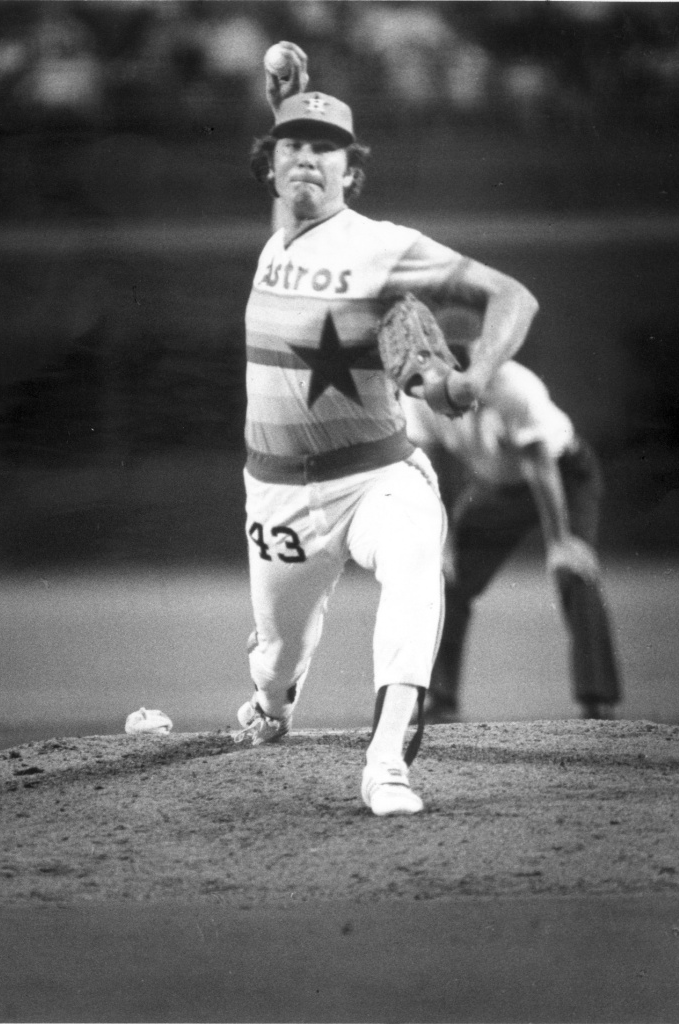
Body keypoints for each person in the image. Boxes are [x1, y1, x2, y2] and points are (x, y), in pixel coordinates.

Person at [232, 47, 539, 816]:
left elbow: (512, 297)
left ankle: (388, 757)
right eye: (292, 148)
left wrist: (473, 373)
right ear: (271, 168)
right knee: (274, 663)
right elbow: (295, 187)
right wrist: (290, 104)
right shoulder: (279, 239)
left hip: (376, 472)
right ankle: (273, 707)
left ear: (352, 173)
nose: (307, 160)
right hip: (276, 496)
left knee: (415, 561)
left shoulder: (383, 246)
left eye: (326, 149)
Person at [401, 360, 622, 724]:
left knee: (573, 569)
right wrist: (444, 541)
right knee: (446, 577)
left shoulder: (515, 387)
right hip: (500, 485)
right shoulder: (418, 393)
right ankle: (440, 700)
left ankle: (599, 703)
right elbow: (433, 469)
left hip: (563, 475)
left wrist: (560, 540)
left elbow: (539, 464)